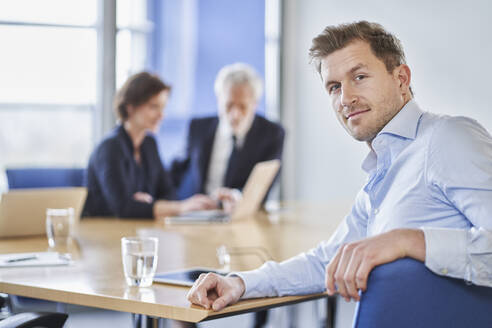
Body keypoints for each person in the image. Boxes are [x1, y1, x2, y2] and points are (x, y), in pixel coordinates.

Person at [186, 21, 492, 311]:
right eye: (333, 87)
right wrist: (239, 283)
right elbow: (326, 262)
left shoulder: (447, 138)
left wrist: (409, 240)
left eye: (359, 77)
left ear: (401, 79)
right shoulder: (381, 175)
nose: (345, 98)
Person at [84, 72, 217, 219]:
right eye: (154, 107)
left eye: (163, 108)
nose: (161, 115)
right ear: (130, 107)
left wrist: (147, 205)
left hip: (137, 229)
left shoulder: (149, 144)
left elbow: (168, 193)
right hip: (103, 230)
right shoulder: (110, 148)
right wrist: (181, 207)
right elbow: (123, 208)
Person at [171, 63, 285, 208]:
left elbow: (266, 182)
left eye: (242, 106)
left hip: (240, 214)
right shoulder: (197, 128)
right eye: (229, 105)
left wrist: (237, 197)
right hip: (198, 213)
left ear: (255, 104)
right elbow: (177, 170)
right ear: (219, 100)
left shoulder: (272, 133)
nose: (234, 115)